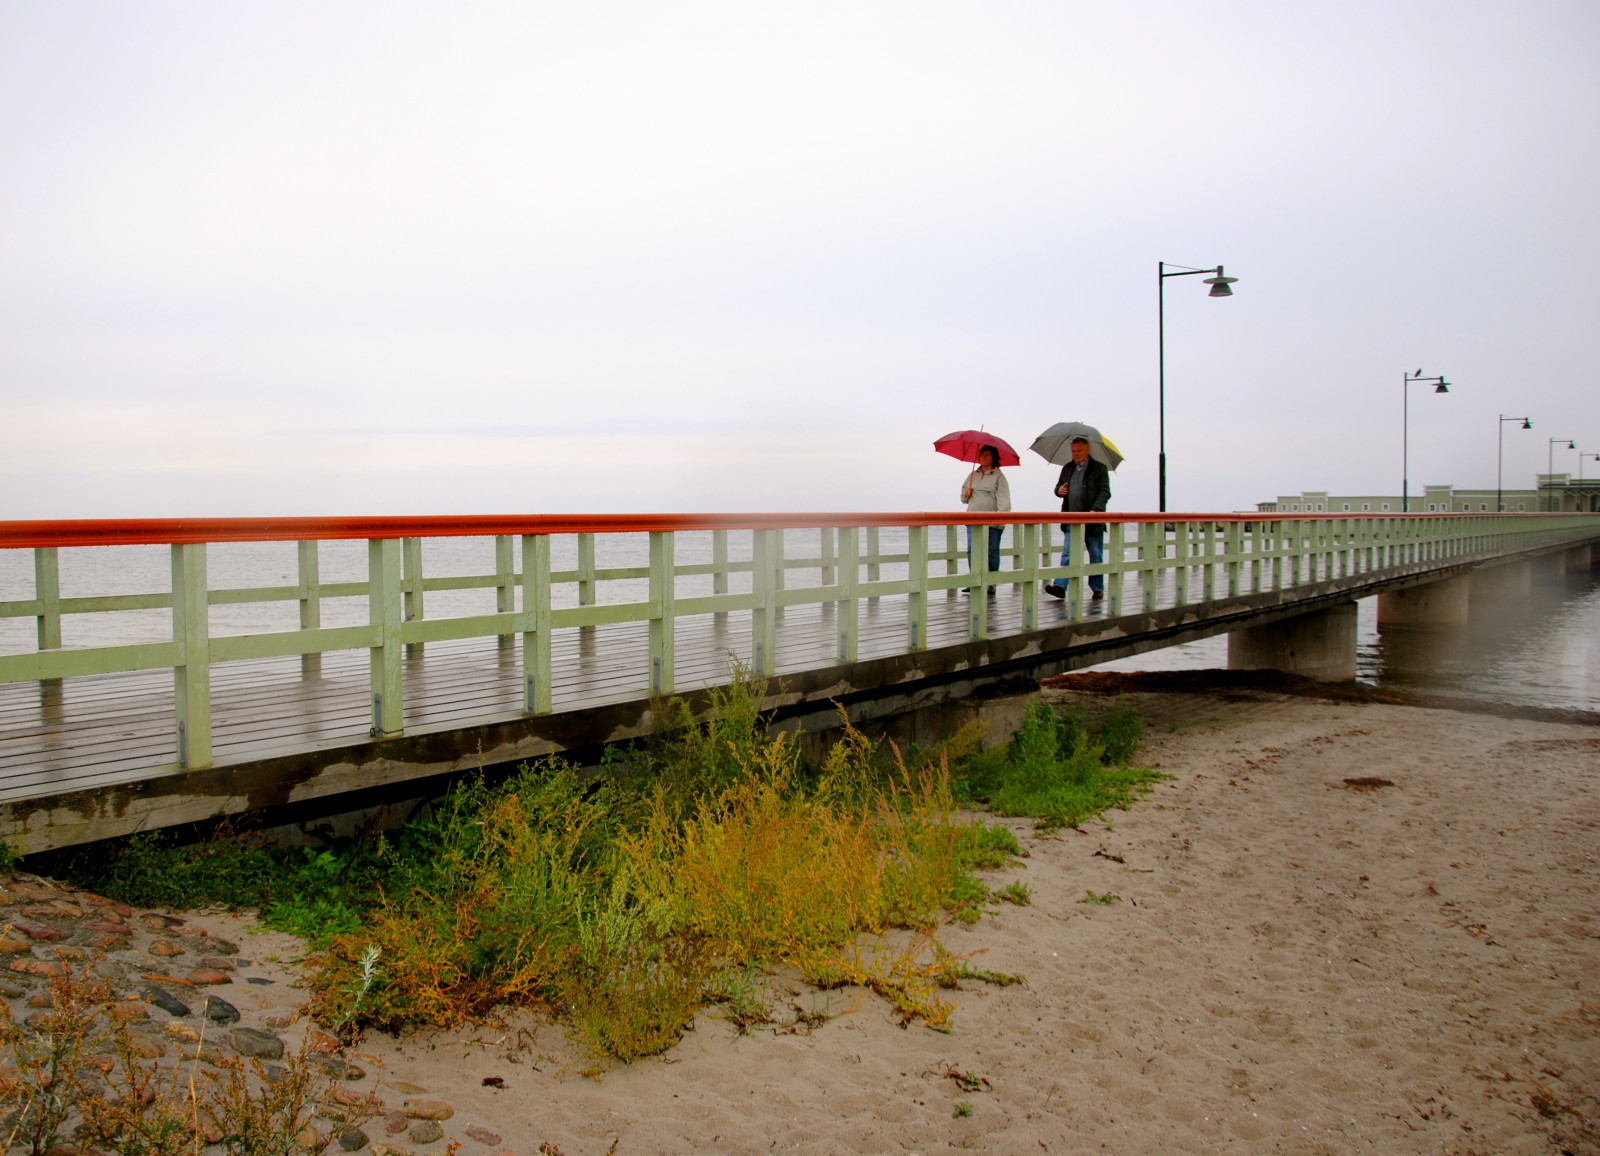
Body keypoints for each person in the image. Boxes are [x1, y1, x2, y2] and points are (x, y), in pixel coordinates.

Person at [1044, 436, 1110, 600]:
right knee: (1067, 553)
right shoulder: (1067, 468)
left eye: (1079, 450)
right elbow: (1058, 488)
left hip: (1092, 520)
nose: (1076, 454)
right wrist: (1059, 491)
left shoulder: (1099, 468)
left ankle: (1097, 588)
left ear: (1087, 450)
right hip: (1072, 519)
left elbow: (1105, 492)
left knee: (1095, 555)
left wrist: (1095, 510)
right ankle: (1060, 586)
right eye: (1073, 451)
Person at [961, 444, 1010, 581]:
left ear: (994, 457)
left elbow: (1004, 499)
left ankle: (991, 583)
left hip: (992, 521)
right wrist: (966, 493)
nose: (983, 457)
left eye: (987, 455)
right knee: (972, 551)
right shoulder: (972, 475)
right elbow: (963, 499)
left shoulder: (999, 476)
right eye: (981, 454)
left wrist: (1000, 518)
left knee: (991, 552)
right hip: (972, 520)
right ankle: (974, 581)